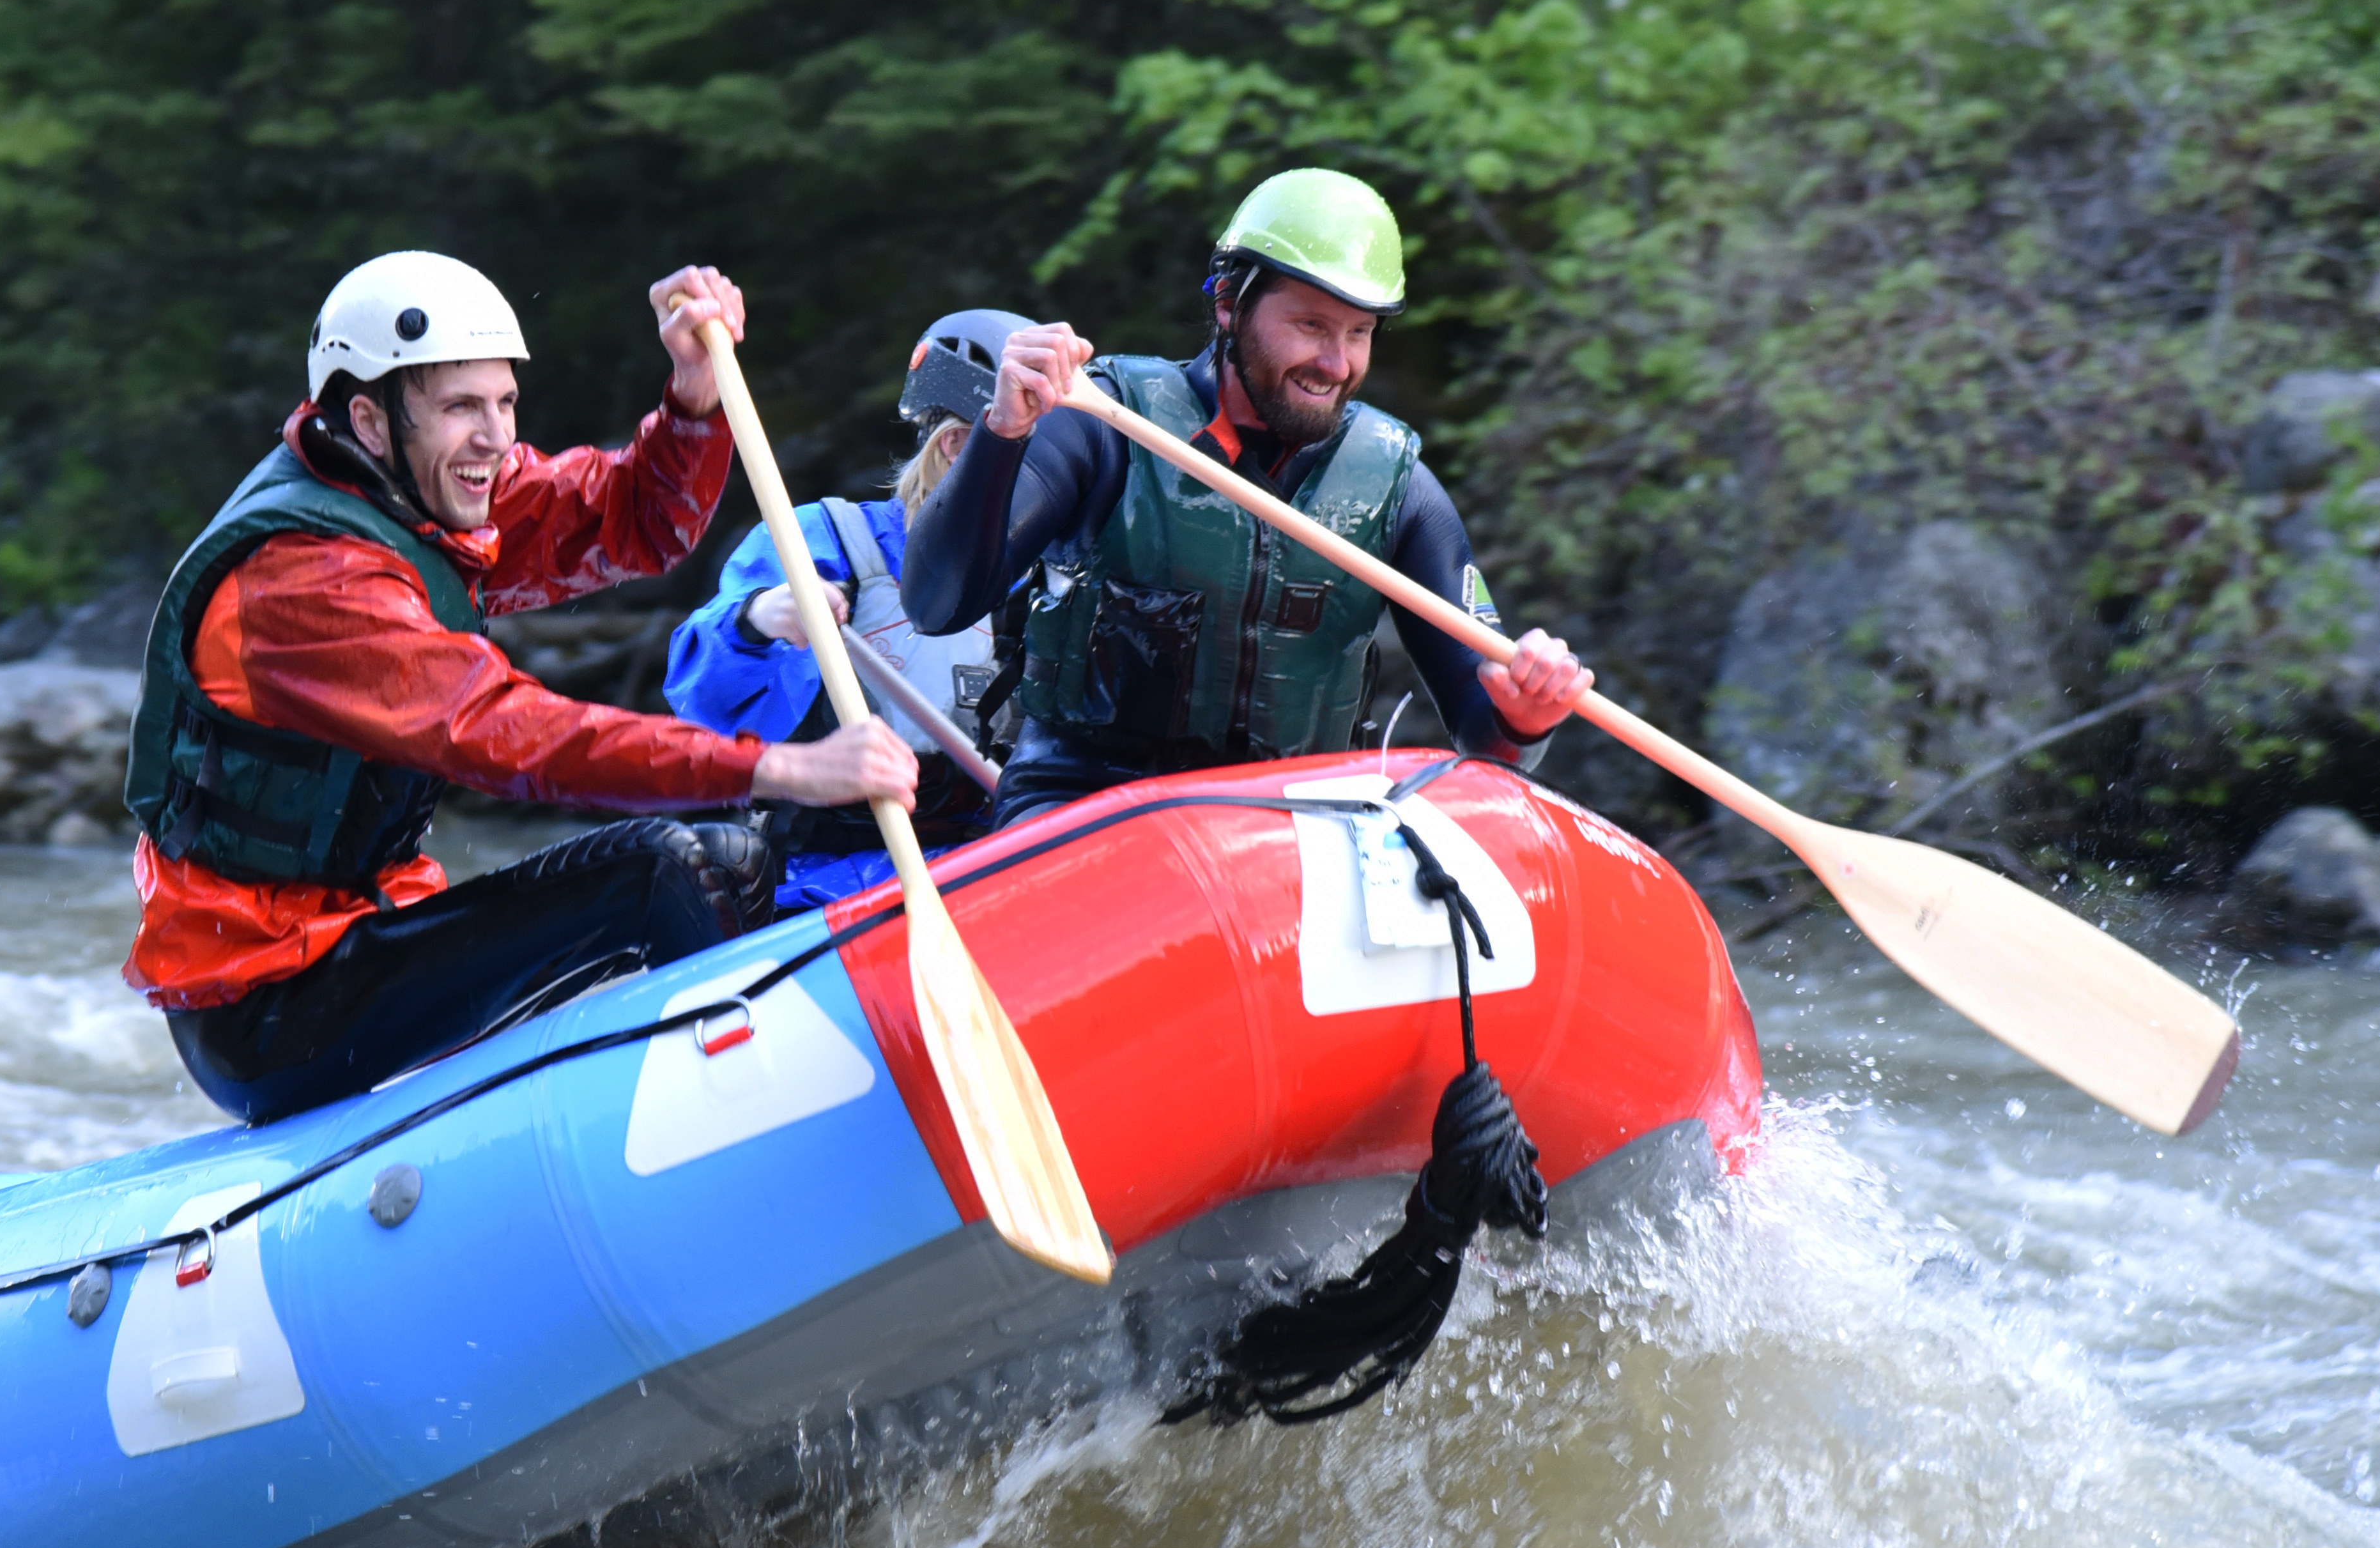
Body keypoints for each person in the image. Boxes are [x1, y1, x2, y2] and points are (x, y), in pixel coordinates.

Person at [124, 251, 918, 1125]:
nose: (497, 437)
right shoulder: (309, 582)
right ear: (372, 419)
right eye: (463, 407)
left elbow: (635, 522)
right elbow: (515, 736)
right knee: (678, 867)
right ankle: (772, 1122)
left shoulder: (423, 497)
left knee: (705, 864)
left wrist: (693, 395)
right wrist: (778, 768)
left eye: (504, 403)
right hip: (273, 1005)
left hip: (375, 925)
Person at [899, 169, 1595, 824]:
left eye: (1359, 333)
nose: (1336, 363)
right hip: (1089, 809)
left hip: (1291, 831)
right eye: (1312, 325)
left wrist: (1523, 716)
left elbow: (1485, 736)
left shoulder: (1398, 485)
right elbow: (937, 602)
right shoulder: (1101, 423)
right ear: (1230, 304)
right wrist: (1003, 431)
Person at [664, 309, 1031, 908]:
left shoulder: (1031, 578)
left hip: (979, 874)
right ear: (959, 447)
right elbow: (699, 702)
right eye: (1039, 460)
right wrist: (756, 621)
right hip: (815, 887)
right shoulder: (823, 542)